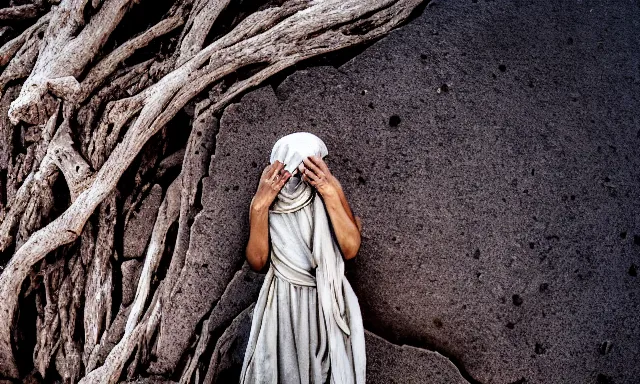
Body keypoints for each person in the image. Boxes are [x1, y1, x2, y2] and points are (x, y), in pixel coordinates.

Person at [240, 132, 366, 384]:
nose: (299, 177)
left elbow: (350, 248)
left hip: (326, 299)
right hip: (283, 303)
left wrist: (329, 191)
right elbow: (257, 260)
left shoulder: (328, 190)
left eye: (308, 166)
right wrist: (259, 207)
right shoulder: (269, 200)